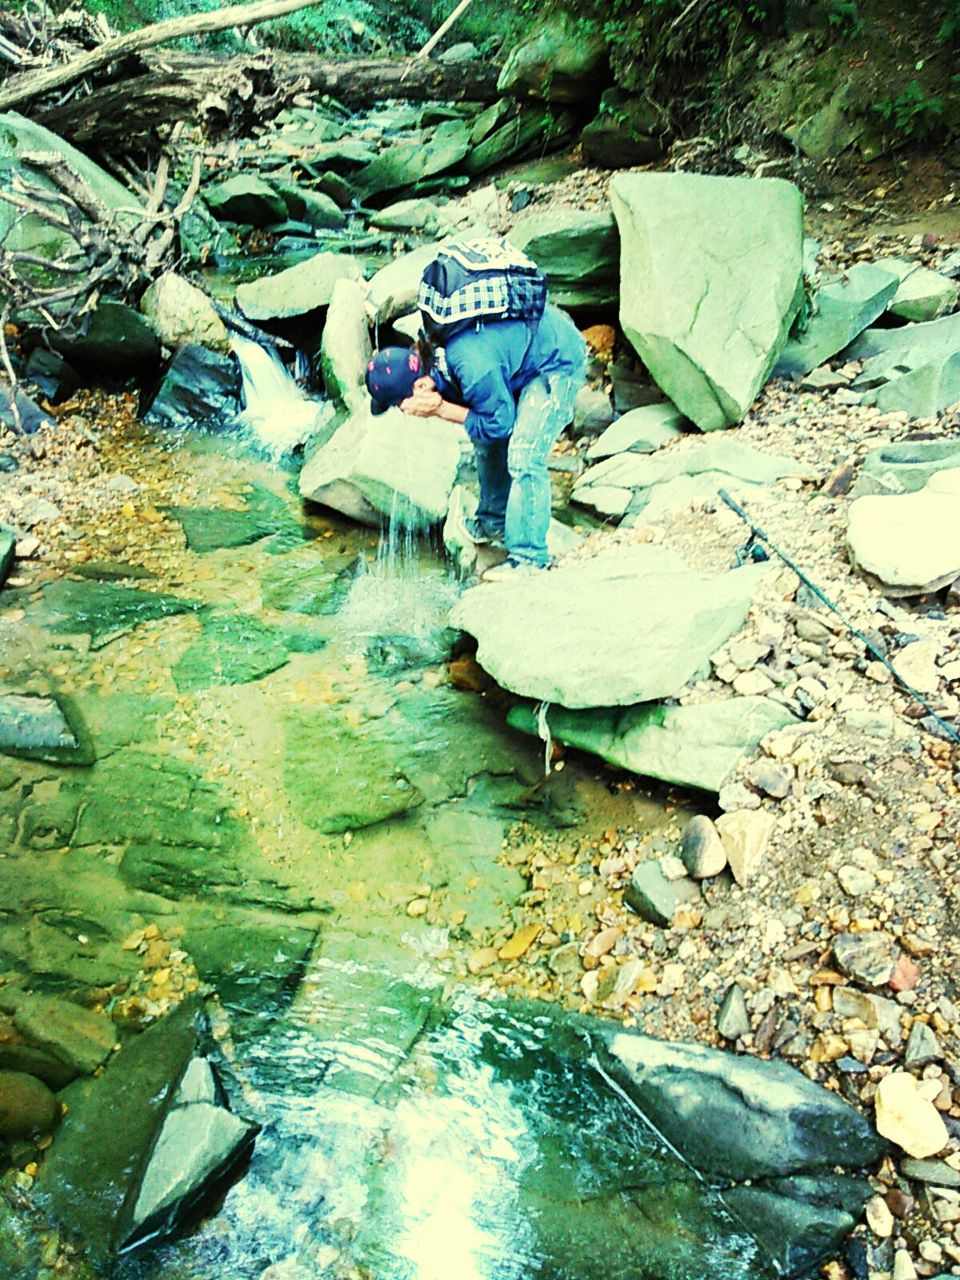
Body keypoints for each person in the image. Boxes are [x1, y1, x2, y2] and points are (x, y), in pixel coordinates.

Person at [365, 303, 585, 581]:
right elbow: (483, 424)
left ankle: (530, 558)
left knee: (524, 455)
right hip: (518, 355)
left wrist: (441, 409)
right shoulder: (432, 356)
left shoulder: (468, 364)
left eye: (400, 404)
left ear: (420, 387)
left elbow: (499, 423)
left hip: (554, 361)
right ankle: (493, 523)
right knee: (482, 436)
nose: (402, 411)